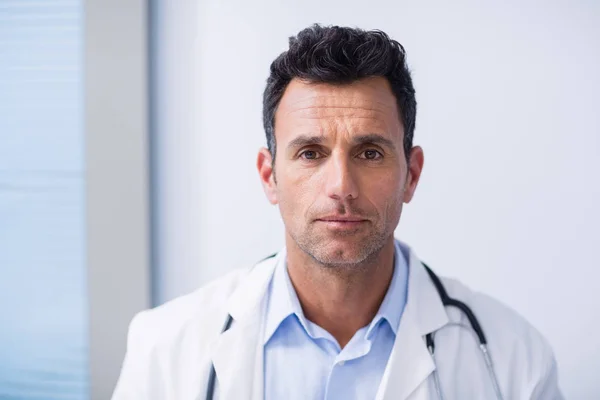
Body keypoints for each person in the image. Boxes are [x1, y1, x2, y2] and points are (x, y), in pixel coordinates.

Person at [112, 24, 563, 400]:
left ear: (412, 174)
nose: (341, 187)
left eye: (369, 153)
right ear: (269, 176)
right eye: (310, 153)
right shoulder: (166, 348)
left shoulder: (513, 360)